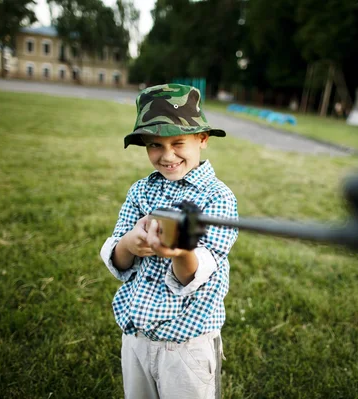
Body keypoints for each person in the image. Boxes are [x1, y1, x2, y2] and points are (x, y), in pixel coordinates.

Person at [100, 83, 239, 399]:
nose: (167, 156)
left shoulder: (217, 198)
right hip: (136, 335)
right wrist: (129, 244)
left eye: (178, 143)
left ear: (202, 139)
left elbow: (198, 270)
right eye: (155, 146)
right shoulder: (140, 191)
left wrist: (180, 251)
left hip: (186, 343)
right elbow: (118, 258)